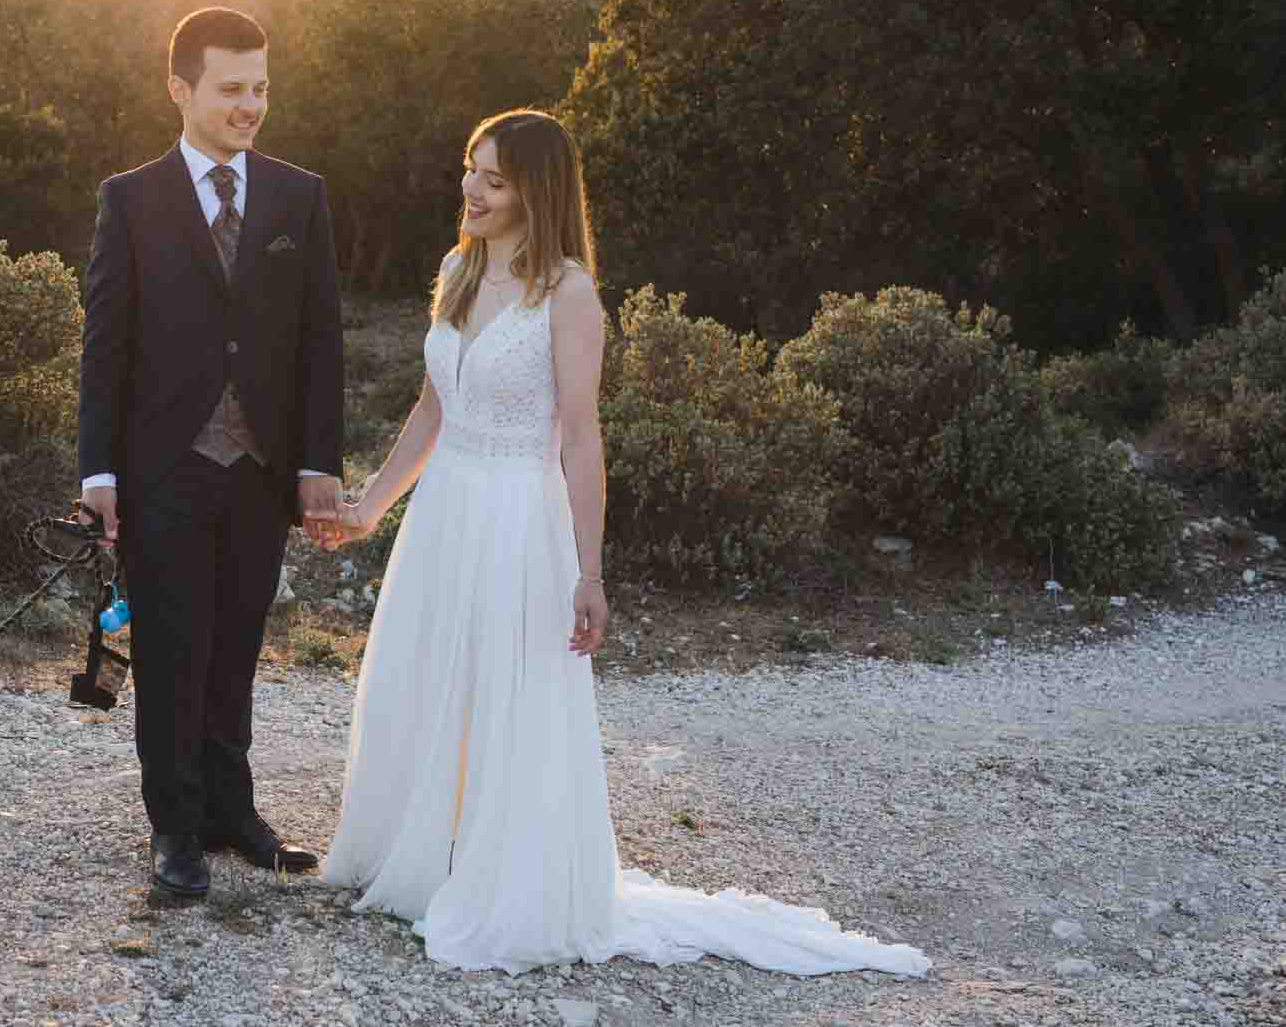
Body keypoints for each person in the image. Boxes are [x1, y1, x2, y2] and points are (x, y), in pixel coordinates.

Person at [318, 109, 930, 977]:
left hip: (517, 522)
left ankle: (502, 875)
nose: (471, 190)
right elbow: (430, 409)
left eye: (493, 179)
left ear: (537, 191)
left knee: (508, 691)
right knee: (424, 678)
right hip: (443, 514)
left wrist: (589, 571)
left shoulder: (568, 292)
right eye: (469, 169)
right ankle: (416, 857)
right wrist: (372, 505)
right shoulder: (457, 268)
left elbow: (578, 437)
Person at [77, 7, 344, 899]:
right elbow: (105, 343)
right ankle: (174, 830)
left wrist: (318, 462)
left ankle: (236, 813)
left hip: (262, 471)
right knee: (172, 648)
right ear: (180, 89)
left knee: (237, 643)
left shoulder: (298, 196)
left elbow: (320, 341)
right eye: (232, 89)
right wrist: (100, 473)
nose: (250, 105)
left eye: (261, 87)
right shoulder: (131, 197)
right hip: (162, 467)